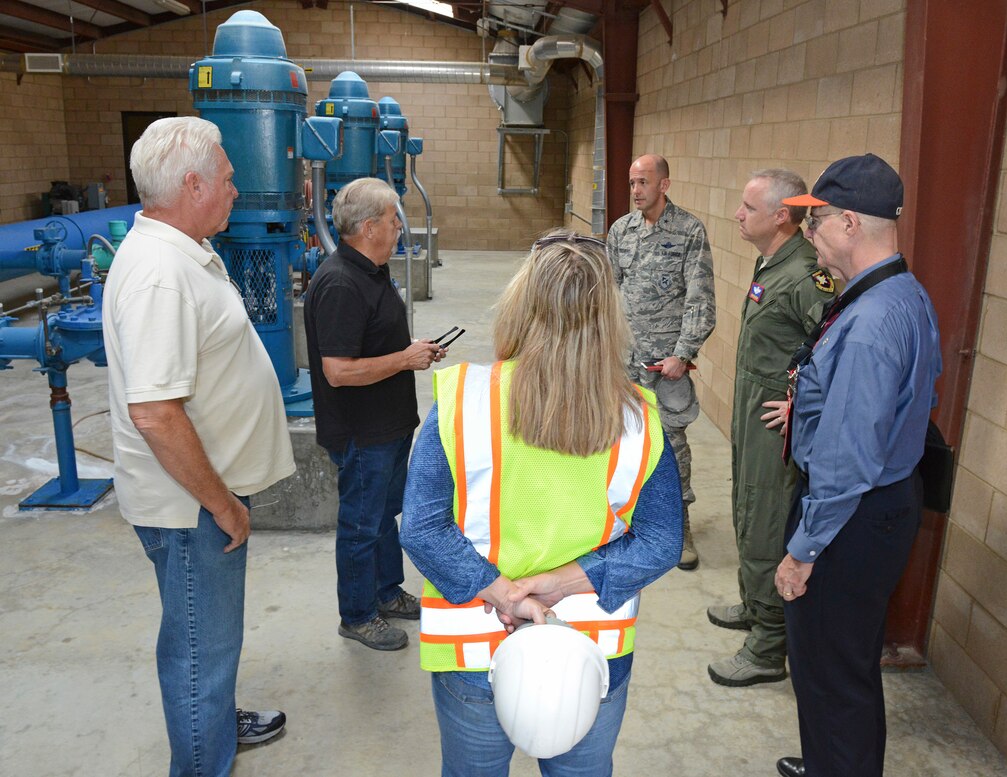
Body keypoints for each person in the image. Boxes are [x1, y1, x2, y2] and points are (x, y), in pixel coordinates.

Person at [400, 231, 682, 776]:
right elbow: (661, 541)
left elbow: (423, 528)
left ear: (520, 305)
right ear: (609, 319)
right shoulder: (639, 419)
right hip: (592, 647)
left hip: (474, 644)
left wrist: (505, 593)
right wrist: (565, 581)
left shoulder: (463, 401)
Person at [102, 116, 295, 776]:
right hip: (189, 507)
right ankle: (200, 754)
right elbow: (156, 412)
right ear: (192, 185)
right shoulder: (160, 271)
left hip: (196, 497)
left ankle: (210, 720)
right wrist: (224, 505)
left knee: (206, 639)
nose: (237, 189)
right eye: (228, 177)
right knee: (197, 648)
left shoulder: (180, 250)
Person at [772, 154, 941, 777]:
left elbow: (846, 462)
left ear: (848, 224)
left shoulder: (869, 322)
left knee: (827, 675)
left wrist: (802, 552)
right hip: (884, 502)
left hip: (849, 516)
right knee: (848, 665)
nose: (808, 237)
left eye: (814, 225)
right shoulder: (904, 295)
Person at [303, 177, 445, 652]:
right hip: (362, 432)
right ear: (368, 227)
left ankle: (386, 593)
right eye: (392, 219)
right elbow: (339, 371)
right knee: (362, 525)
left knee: (385, 515)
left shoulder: (372, 270)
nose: (399, 227)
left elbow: (373, 344)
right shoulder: (341, 282)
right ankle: (358, 615)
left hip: (388, 424)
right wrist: (405, 360)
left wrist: (411, 350)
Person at [706, 170, 835, 688]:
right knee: (745, 504)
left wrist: (802, 401)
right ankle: (754, 604)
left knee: (764, 517)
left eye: (747, 207)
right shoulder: (773, 263)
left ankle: (766, 647)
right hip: (753, 407)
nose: (738, 214)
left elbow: (837, 349)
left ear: (782, 215)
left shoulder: (807, 276)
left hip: (774, 421)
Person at [607, 154, 716, 570]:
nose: (636, 190)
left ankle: (679, 524)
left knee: (672, 444)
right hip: (625, 362)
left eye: (643, 183)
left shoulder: (689, 231)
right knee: (621, 440)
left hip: (664, 366)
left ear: (664, 185)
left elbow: (700, 299)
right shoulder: (621, 231)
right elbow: (610, 296)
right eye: (632, 182)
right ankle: (628, 520)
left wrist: (683, 353)